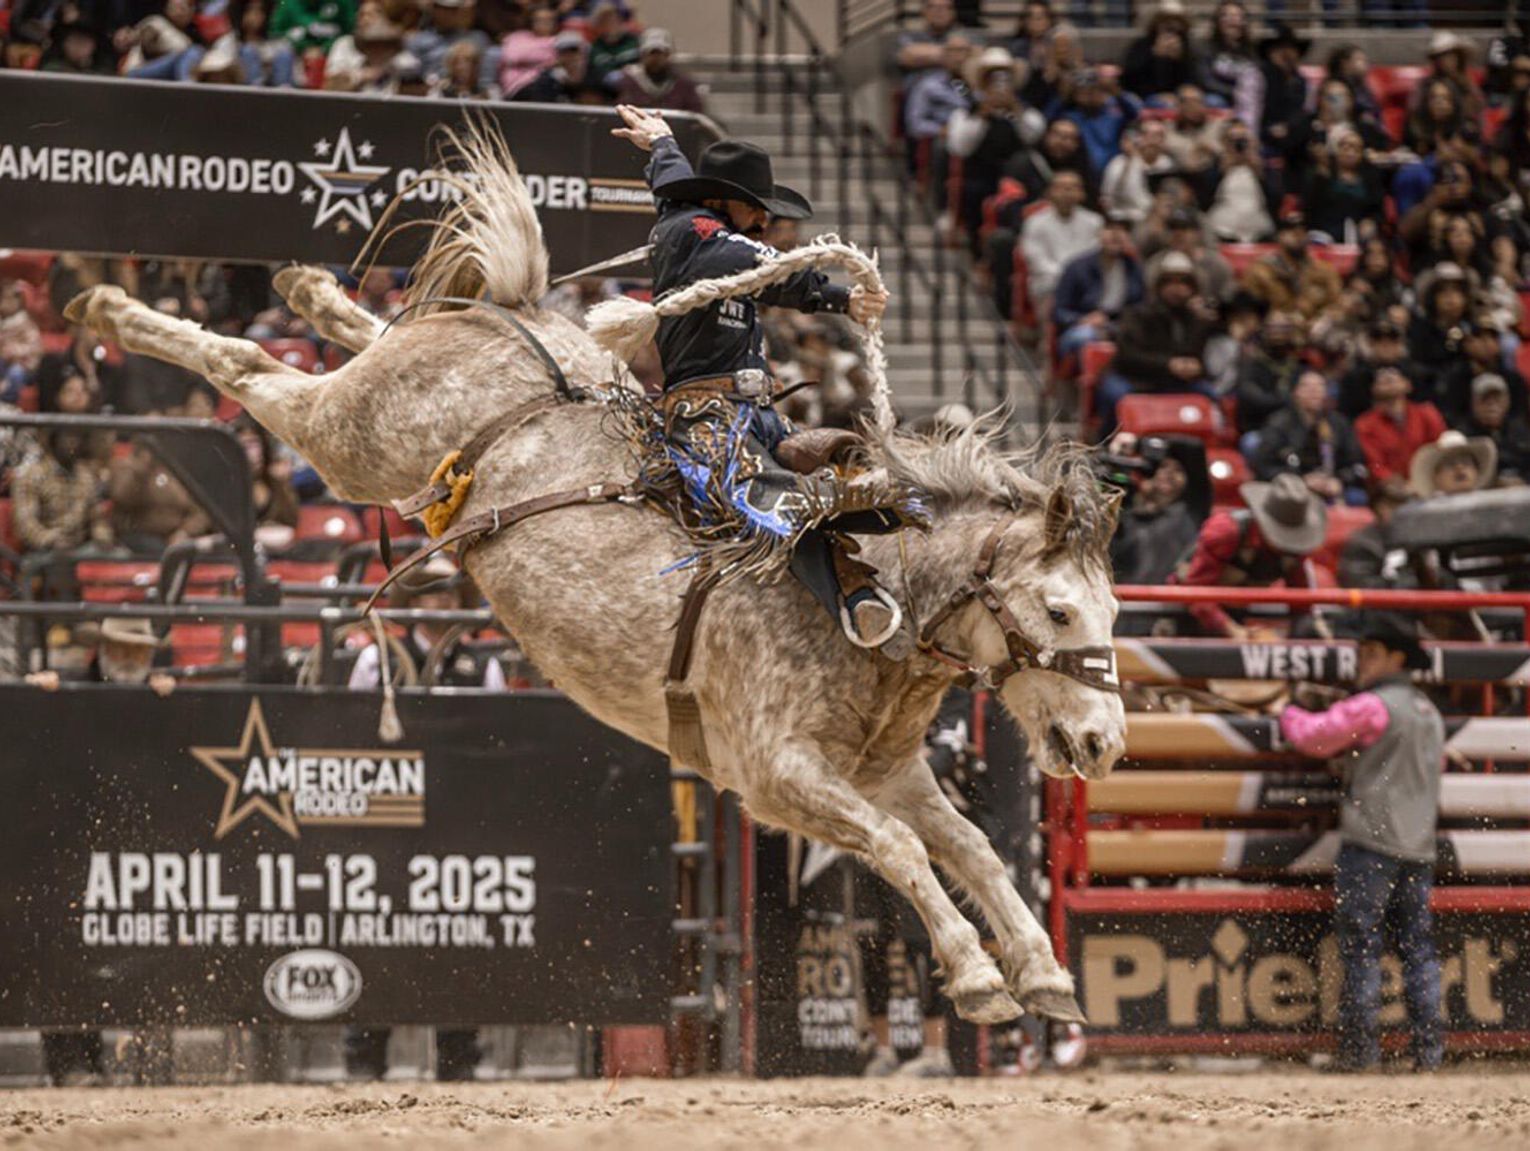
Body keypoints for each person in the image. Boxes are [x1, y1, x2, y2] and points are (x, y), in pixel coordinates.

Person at [610, 104, 920, 653]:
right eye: (756, 209)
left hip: (756, 413)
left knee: (859, 479)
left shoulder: (690, 220)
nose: (764, 221)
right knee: (770, 500)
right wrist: (841, 297)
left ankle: (870, 577)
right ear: (721, 202)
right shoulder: (697, 232)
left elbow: (672, 186)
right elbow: (765, 267)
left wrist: (662, 143)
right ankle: (854, 597)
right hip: (706, 417)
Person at [1278, 613, 1443, 1074]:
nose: (1361, 664)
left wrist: (1287, 709)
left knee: (1361, 947)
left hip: (1372, 842)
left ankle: (1359, 1051)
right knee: (1418, 947)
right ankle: (1428, 1052)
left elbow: (1312, 738)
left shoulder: (1372, 707)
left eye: (1370, 655)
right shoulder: (1428, 713)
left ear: (1394, 658)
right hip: (1418, 845)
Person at [1171, 472, 1324, 638]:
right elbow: (1195, 592)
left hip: (1236, 611)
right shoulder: (1225, 532)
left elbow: (1301, 601)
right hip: (1186, 612)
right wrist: (1231, 629)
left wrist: (1307, 632)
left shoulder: (1297, 548)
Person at [1097, 250, 1215, 432]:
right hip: (1135, 377)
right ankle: (1108, 445)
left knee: (1210, 394)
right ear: (1159, 286)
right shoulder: (1137, 315)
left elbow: (1200, 357)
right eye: (1171, 283)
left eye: (1184, 283)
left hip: (1175, 380)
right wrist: (1168, 364)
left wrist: (1196, 367)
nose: (1177, 289)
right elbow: (1127, 356)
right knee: (1116, 396)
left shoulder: (1197, 320)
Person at [1247, 369, 1368, 506]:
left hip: (1330, 485)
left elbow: (1357, 464)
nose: (1314, 391)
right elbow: (1264, 466)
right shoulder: (1279, 424)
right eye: (1307, 386)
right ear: (1295, 392)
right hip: (1292, 487)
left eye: (1320, 386)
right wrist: (1301, 480)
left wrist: (1340, 481)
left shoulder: (1339, 423)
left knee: (1358, 497)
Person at [1051, 212, 1143, 359]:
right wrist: (1082, 320)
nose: (1116, 234)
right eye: (1110, 229)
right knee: (1085, 338)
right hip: (1081, 327)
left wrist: (1118, 326)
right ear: (1099, 234)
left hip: (1118, 327)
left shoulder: (1134, 268)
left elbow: (1140, 307)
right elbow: (1059, 312)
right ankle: (1090, 380)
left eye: (1122, 230)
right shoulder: (1076, 267)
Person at [1354, 368, 1447, 493]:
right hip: (1388, 489)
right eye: (1381, 380)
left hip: (1431, 481)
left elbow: (1439, 448)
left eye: (1393, 378)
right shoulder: (1365, 424)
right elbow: (1374, 464)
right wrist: (1398, 485)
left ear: (1408, 385)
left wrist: (1425, 481)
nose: (1387, 379)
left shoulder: (1426, 413)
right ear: (1374, 389)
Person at [1019, 170, 1102, 309]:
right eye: (1061, 187)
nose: (1067, 193)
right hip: (1048, 283)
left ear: (1082, 193)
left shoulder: (1094, 222)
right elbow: (1036, 260)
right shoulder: (1034, 222)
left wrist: (1078, 278)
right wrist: (1067, 277)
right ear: (1050, 192)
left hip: (1085, 283)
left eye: (1073, 188)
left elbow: (1094, 256)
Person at [1240, 210, 1342, 321]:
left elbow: (1336, 305)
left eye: (1303, 230)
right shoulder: (1260, 271)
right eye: (1290, 230)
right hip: (1273, 330)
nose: (1298, 234)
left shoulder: (1324, 270)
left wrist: (1323, 319)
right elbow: (1248, 308)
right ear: (1279, 236)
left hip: (1314, 328)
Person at [1119, 0, 1199, 104]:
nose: (1171, 25)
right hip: (1146, 96)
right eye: (1165, 20)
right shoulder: (1142, 45)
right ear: (1157, 23)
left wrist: (1180, 60)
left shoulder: (1187, 46)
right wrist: (1154, 56)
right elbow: (1129, 77)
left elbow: (1193, 78)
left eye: (1176, 21)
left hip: (1178, 95)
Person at [1456, 372, 1530, 483]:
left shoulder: (1520, 430)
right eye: (1485, 399)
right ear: (1473, 403)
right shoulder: (1464, 436)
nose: (1492, 404)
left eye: (1497, 398)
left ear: (1507, 401)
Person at [612, 28, 706, 114]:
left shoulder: (684, 85)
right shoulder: (628, 83)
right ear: (642, 55)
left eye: (661, 53)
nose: (656, 59)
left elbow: (695, 116)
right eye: (652, 53)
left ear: (668, 55)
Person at [1100, 119, 1174, 223]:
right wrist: (1129, 165)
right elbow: (1107, 199)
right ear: (1138, 139)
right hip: (1123, 220)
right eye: (1147, 135)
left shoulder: (1168, 164)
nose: (1152, 141)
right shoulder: (1118, 164)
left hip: (1156, 222)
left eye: (1158, 136)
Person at [1408, 429, 1496, 499]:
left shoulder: (1489, 504)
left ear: (1476, 471)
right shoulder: (1426, 512)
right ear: (1436, 478)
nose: (1460, 467)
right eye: (1450, 464)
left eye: (1466, 463)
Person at [497, 2, 558, 97]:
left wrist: (527, 55)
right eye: (539, 20)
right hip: (515, 87)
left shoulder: (557, 40)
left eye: (548, 20)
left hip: (543, 85)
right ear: (531, 21)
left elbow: (558, 60)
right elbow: (511, 56)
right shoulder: (518, 36)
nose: (544, 23)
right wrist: (544, 57)